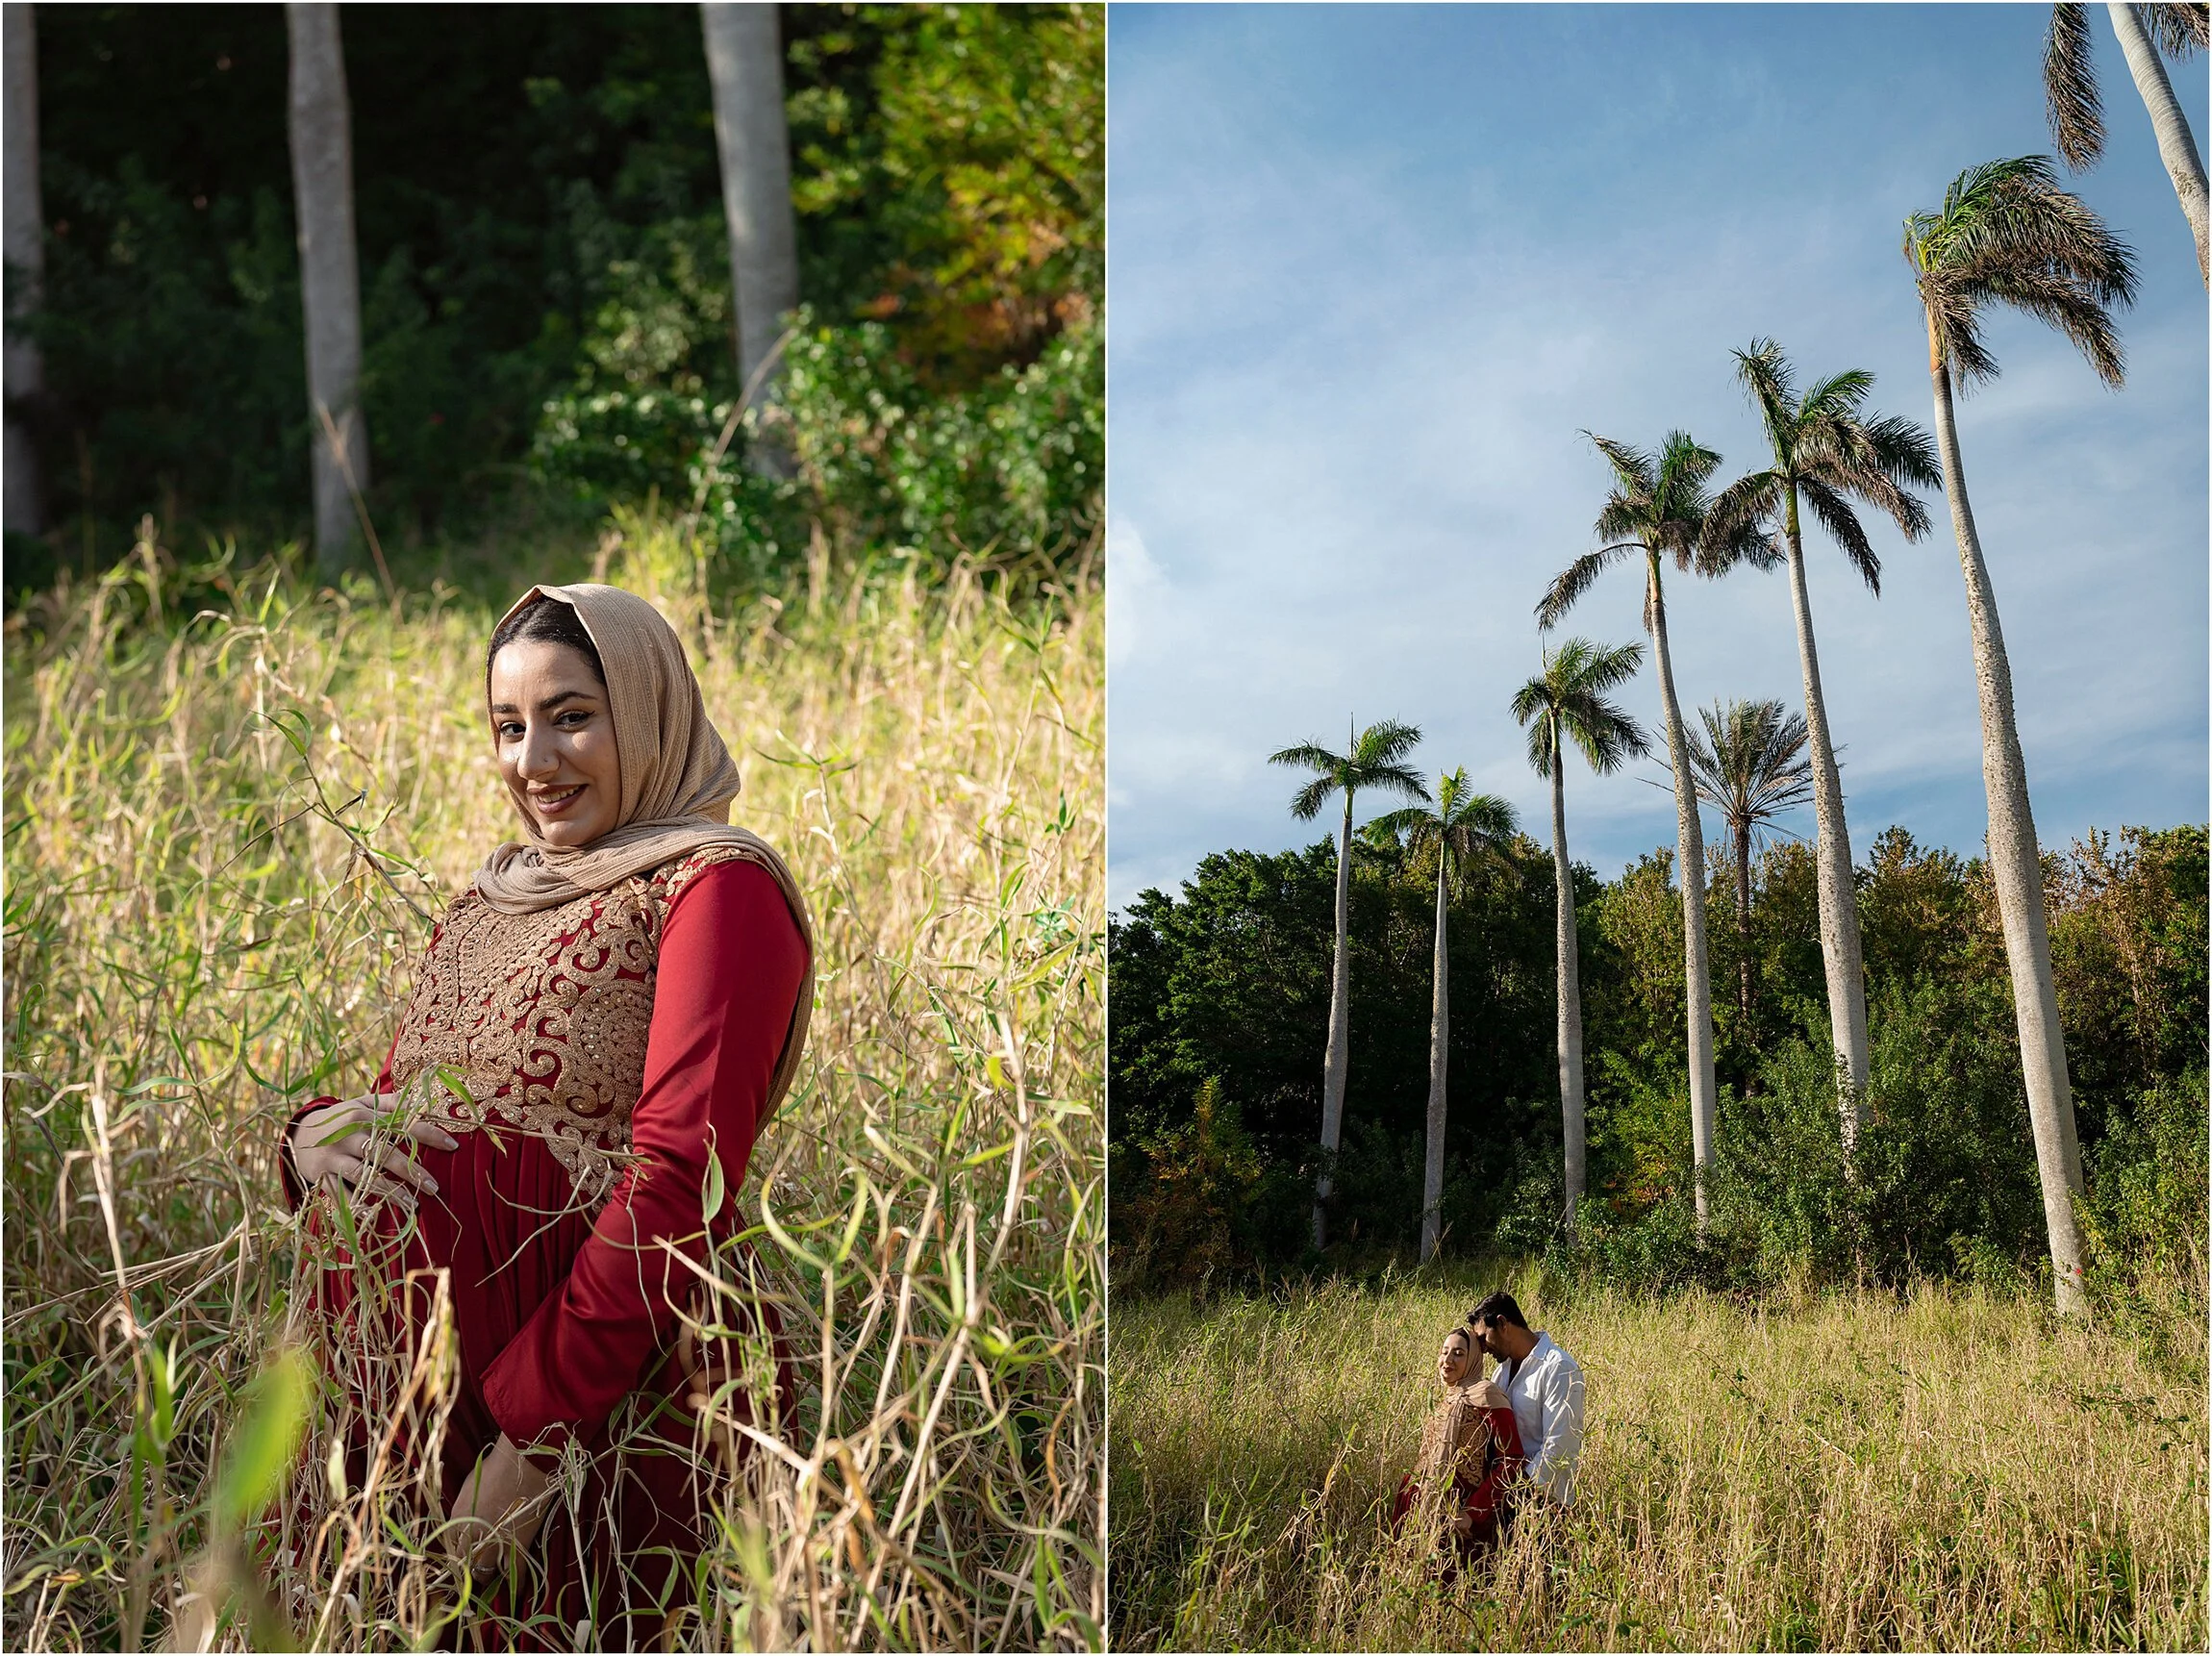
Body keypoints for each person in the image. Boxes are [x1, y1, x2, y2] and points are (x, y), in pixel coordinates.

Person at [276, 583, 813, 1645]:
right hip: (404, 1384)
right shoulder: (488, 899)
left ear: (649, 708)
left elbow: (678, 1177)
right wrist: (308, 1136)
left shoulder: (715, 886)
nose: (535, 762)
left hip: (590, 1388)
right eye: (508, 727)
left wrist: (530, 1444)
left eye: (572, 716)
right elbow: (414, 1106)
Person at [1392, 1324, 1524, 1559]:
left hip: (1460, 1517)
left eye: (1459, 1354)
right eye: (1444, 1352)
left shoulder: (1486, 1395)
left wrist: (1473, 1512)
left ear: (1473, 1358)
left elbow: (1511, 1460)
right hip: (1420, 1508)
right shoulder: (1447, 1397)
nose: (1448, 1360)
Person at [1467, 1290, 1586, 1508]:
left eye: (1484, 1338)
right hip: (1507, 1497)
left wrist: (1520, 1489)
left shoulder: (1558, 1367)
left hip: (1545, 1502)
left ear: (1502, 1324)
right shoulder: (1501, 1372)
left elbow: (1560, 1444)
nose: (1483, 1349)